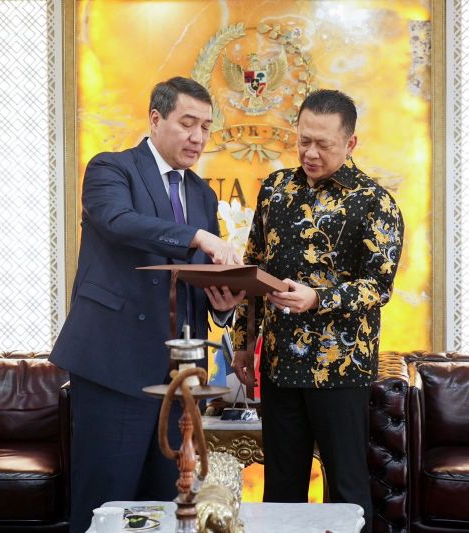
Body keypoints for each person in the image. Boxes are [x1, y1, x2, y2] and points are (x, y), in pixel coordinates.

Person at [50, 77, 244, 533]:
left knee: (170, 506)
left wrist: (223, 304)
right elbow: (121, 222)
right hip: (115, 367)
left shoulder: (202, 193)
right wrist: (198, 237)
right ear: (156, 119)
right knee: (105, 505)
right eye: (187, 123)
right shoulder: (111, 169)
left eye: (206, 127)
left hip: (180, 379)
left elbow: (197, 272)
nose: (198, 137)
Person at [231, 89, 405, 532]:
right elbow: (254, 271)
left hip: (340, 368)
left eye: (323, 144)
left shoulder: (375, 202)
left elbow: (377, 287)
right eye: (303, 140)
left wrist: (319, 298)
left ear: (350, 143)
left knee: (346, 489)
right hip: (279, 366)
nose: (310, 152)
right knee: (280, 490)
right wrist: (242, 344)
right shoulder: (275, 190)